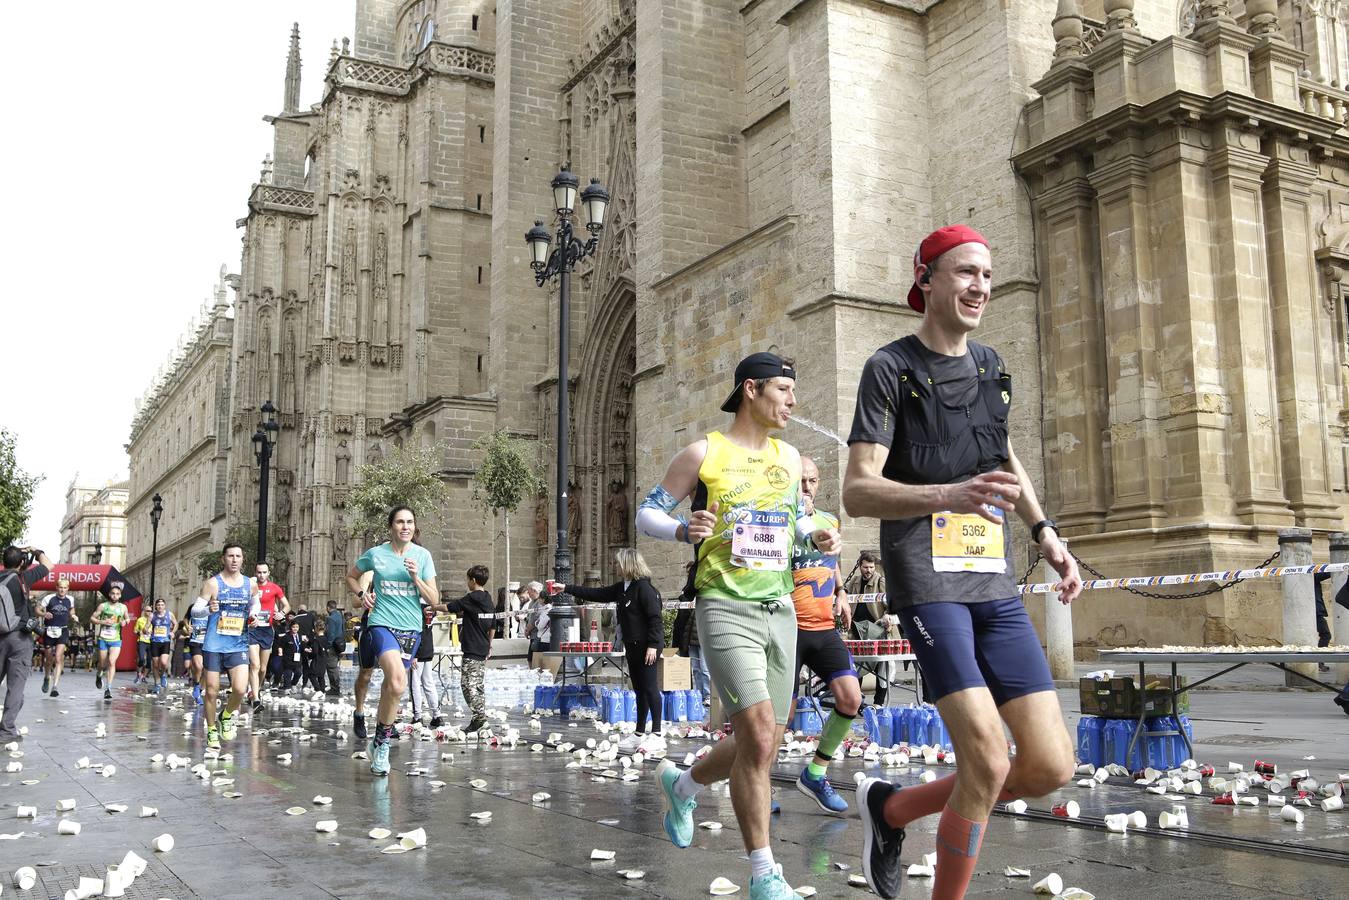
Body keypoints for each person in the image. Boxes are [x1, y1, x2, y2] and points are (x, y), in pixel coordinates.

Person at [842, 224, 1082, 899]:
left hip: (991, 580)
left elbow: (1003, 458)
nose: (979, 286)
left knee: (1047, 766)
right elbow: (857, 489)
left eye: (985, 274)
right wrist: (949, 494)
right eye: (963, 273)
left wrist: (1044, 532)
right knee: (984, 757)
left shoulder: (991, 367)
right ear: (925, 280)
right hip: (926, 583)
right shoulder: (889, 368)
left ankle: (890, 810)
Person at [636, 351, 840, 900]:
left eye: (793, 392)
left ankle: (681, 785)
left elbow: (797, 522)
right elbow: (647, 512)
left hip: (781, 609)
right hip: (724, 604)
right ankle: (764, 872)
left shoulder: (791, 458)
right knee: (754, 726)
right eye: (783, 391)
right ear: (750, 390)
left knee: (766, 737)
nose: (793, 402)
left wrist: (818, 533)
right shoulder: (705, 452)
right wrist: (683, 529)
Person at [346, 506, 439, 776]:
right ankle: (384, 745)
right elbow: (351, 577)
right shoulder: (376, 554)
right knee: (398, 681)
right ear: (391, 526)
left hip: (411, 629)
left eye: (410, 522)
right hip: (381, 624)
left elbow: (433, 599)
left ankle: (379, 738)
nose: (405, 526)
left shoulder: (422, 556)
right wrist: (363, 594)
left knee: (392, 688)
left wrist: (415, 577)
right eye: (400, 522)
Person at [790, 456, 859, 815]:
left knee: (851, 699)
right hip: (788, 629)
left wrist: (843, 593)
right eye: (800, 480)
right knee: (776, 721)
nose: (806, 488)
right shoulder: (781, 523)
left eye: (812, 481)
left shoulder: (830, 521)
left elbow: (834, 564)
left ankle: (816, 773)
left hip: (823, 627)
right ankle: (759, 787)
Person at [556, 548, 665, 752]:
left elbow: (655, 619)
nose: (615, 566)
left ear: (628, 565)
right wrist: (566, 588)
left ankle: (658, 733)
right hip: (631, 646)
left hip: (646, 647)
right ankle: (639, 733)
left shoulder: (645, 589)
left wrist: (653, 645)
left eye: (618, 563)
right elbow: (596, 593)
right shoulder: (623, 588)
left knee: (650, 688)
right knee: (639, 689)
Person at [189, 543, 261, 750]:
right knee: (211, 692)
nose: (234, 560)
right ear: (224, 559)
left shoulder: (250, 584)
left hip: (238, 643)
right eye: (230, 556)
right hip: (213, 644)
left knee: (240, 688)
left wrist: (254, 615)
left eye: (238, 556)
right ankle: (212, 730)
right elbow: (195, 611)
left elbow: (255, 604)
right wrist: (208, 609)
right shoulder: (213, 583)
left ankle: (226, 715)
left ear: (243, 559)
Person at [1, 546, 52, 742]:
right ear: (22, 562)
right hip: (19, 638)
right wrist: (37, 551)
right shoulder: (23, 579)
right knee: (15, 687)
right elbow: (49, 565)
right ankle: (6, 731)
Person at [442, 565, 494, 734]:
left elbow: (449, 607)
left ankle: (480, 718)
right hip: (483, 646)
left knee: (467, 684)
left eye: (467, 579)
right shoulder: (488, 598)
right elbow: (493, 624)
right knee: (478, 684)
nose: (467, 583)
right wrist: (489, 644)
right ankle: (477, 719)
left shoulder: (471, 598)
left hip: (471, 646)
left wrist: (431, 607)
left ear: (473, 580)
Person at [247, 562, 289, 712]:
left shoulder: (275, 588)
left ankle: (256, 689)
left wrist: (281, 614)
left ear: (268, 573)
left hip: (267, 630)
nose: (261, 575)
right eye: (259, 572)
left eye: (264, 572)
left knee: (263, 668)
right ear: (255, 572)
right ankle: (256, 699)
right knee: (255, 665)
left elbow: (287, 605)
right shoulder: (250, 586)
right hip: (252, 629)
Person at [408, 594, 448, 727]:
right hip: (428, 649)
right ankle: (437, 715)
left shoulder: (414, 608)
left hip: (418, 651)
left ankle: (418, 716)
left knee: (415, 685)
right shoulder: (431, 607)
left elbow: (415, 631)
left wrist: (413, 653)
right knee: (428, 683)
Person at [90, 584, 131, 700]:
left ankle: (108, 688)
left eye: (117, 594)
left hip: (116, 639)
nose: (115, 596)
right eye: (113, 593)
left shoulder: (123, 607)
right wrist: (102, 622)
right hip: (103, 638)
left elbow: (127, 618)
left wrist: (125, 622)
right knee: (102, 664)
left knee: (112, 662)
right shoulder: (103, 606)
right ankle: (99, 675)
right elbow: (92, 618)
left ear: (120, 595)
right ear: (109, 594)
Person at [39, 578, 78, 697]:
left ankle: (55, 686)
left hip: (63, 630)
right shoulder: (49, 598)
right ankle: (46, 677)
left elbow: (71, 610)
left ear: (68, 589)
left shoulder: (70, 599)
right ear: (57, 587)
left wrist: (74, 616)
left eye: (65, 587)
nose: (62, 590)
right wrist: (43, 613)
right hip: (49, 630)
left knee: (58, 658)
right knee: (49, 659)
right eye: (60, 587)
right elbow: (37, 609)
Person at [148, 599, 175, 694]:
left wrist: (172, 632)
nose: (160, 606)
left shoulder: (169, 614)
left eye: (162, 605)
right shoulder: (152, 615)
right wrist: (146, 630)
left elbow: (175, 624)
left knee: (163, 663)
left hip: (165, 642)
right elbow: (146, 627)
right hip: (155, 642)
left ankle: (163, 674)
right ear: (156, 606)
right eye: (158, 605)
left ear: (165, 606)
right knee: (155, 664)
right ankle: (157, 684)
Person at [521, 581, 549, 667]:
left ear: (534, 590)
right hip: (533, 634)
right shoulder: (531, 603)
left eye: (529, 592)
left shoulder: (539, 603)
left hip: (538, 636)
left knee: (533, 660)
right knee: (530, 658)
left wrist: (527, 630)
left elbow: (535, 620)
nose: (528, 594)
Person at [186, 599, 209, 705]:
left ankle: (199, 690)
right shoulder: (193, 607)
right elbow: (186, 619)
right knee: (199, 666)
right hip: (195, 641)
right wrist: (187, 626)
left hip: (208, 642)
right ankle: (196, 685)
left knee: (206, 668)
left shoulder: (212, 608)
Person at [323, 600, 346, 696]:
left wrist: (327, 646)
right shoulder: (341, 616)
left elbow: (330, 634)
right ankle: (336, 687)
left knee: (331, 667)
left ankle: (335, 688)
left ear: (328, 608)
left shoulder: (330, 618)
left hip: (332, 646)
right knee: (335, 665)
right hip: (340, 644)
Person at [279, 620, 304, 689]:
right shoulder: (286, 636)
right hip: (288, 658)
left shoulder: (300, 636)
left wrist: (306, 649)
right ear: (290, 627)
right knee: (288, 673)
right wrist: (280, 652)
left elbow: (302, 645)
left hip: (297, 657)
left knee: (298, 672)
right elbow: (280, 645)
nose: (295, 629)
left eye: (297, 627)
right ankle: (287, 687)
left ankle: (293, 684)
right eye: (293, 627)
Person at [133, 605, 153, 684]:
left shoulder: (153, 620)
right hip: (142, 641)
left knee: (149, 662)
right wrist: (139, 632)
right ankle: (138, 674)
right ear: (144, 611)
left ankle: (144, 677)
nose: (149, 612)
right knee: (141, 659)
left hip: (151, 642)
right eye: (147, 611)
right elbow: (134, 630)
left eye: (150, 611)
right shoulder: (140, 620)